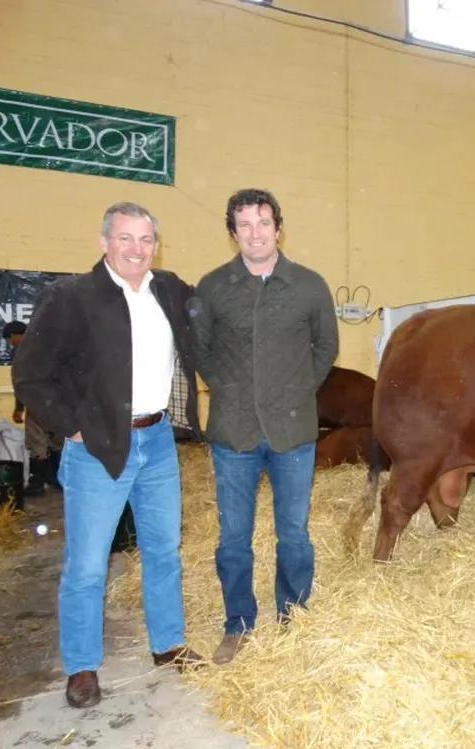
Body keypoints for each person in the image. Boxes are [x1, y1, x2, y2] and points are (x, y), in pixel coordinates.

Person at [12, 201, 206, 709]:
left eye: (145, 239)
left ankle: (167, 643)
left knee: (163, 552)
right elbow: (30, 374)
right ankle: (81, 666)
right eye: (125, 238)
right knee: (88, 565)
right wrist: (70, 426)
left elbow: (210, 324)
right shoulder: (71, 296)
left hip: (158, 440)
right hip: (98, 446)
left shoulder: (167, 289)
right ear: (104, 242)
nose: (136, 249)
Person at [188, 188, 339, 665]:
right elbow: (200, 351)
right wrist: (230, 390)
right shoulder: (212, 287)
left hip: (293, 433)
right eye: (245, 224)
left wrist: (294, 393)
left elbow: (325, 348)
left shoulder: (309, 285)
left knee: (293, 533)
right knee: (234, 537)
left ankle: (292, 613)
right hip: (233, 434)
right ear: (233, 233)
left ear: (279, 228)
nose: (255, 232)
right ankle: (238, 622)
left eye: (263, 222)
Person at [1, 320, 52, 495]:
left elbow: (21, 382)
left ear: (16, 335)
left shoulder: (22, 351)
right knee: (57, 441)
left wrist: (19, 407)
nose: (11, 343)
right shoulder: (46, 344)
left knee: (37, 442)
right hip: (58, 401)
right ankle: (55, 479)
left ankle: (37, 484)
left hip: (37, 401)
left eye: (10, 339)